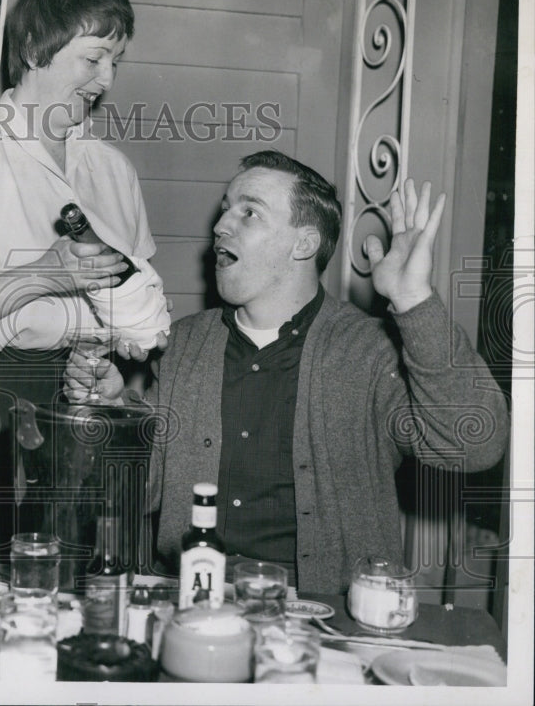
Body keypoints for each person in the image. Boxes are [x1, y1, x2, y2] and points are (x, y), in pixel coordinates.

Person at [64, 150, 510, 593]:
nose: (221, 226)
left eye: (249, 212)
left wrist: (414, 301)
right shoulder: (184, 344)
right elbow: (137, 492)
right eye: (226, 209)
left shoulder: (370, 351)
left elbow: (476, 444)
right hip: (193, 597)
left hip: (326, 612)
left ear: (304, 244)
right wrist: (114, 413)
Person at [0, 0, 170, 552]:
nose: (107, 79)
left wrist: (127, 355)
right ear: (32, 50)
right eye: (93, 59)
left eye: (115, 62)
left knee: (79, 583)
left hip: (87, 395)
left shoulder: (114, 171)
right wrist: (45, 275)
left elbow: (142, 301)